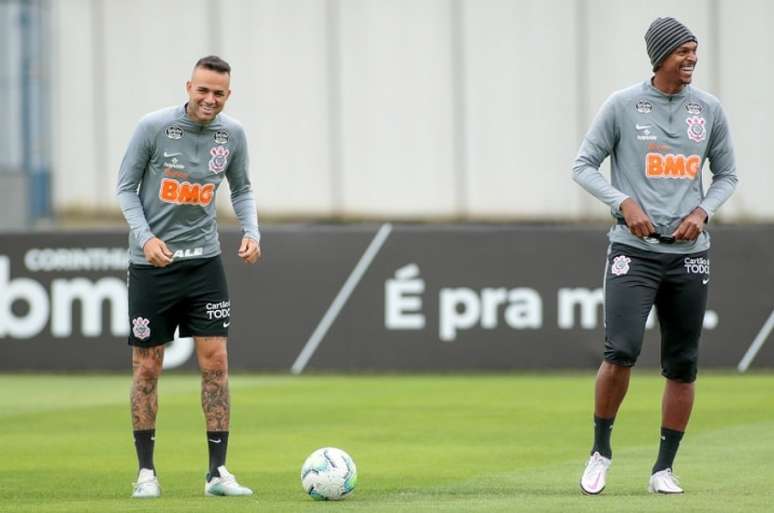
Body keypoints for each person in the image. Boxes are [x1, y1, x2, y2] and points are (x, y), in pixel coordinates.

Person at [572, 17, 737, 495]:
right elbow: (583, 165)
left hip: (690, 255)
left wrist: (704, 211)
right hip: (633, 250)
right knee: (620, 352)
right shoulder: (623, 105)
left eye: (694, 51)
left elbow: (727, 175)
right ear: (660, 56)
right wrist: (622, 202)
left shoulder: (708, 110)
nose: (691, 60)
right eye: (683, 52)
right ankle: (600, 451)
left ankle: (664, 468)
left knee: (683, 363)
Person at [116, 55, 261, 498]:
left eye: (218, 93)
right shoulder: (153, 128)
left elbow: (242, 188)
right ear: (188, 87)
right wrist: (145, 238)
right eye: (203, 90)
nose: (209, 99)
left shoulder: (232, 134)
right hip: (152, 265)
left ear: (228, 95)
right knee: (147, 367)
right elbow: (125, 187)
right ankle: (146, 473)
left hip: (205, 263)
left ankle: (217, 473)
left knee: (216, 362)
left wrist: (252, 231)